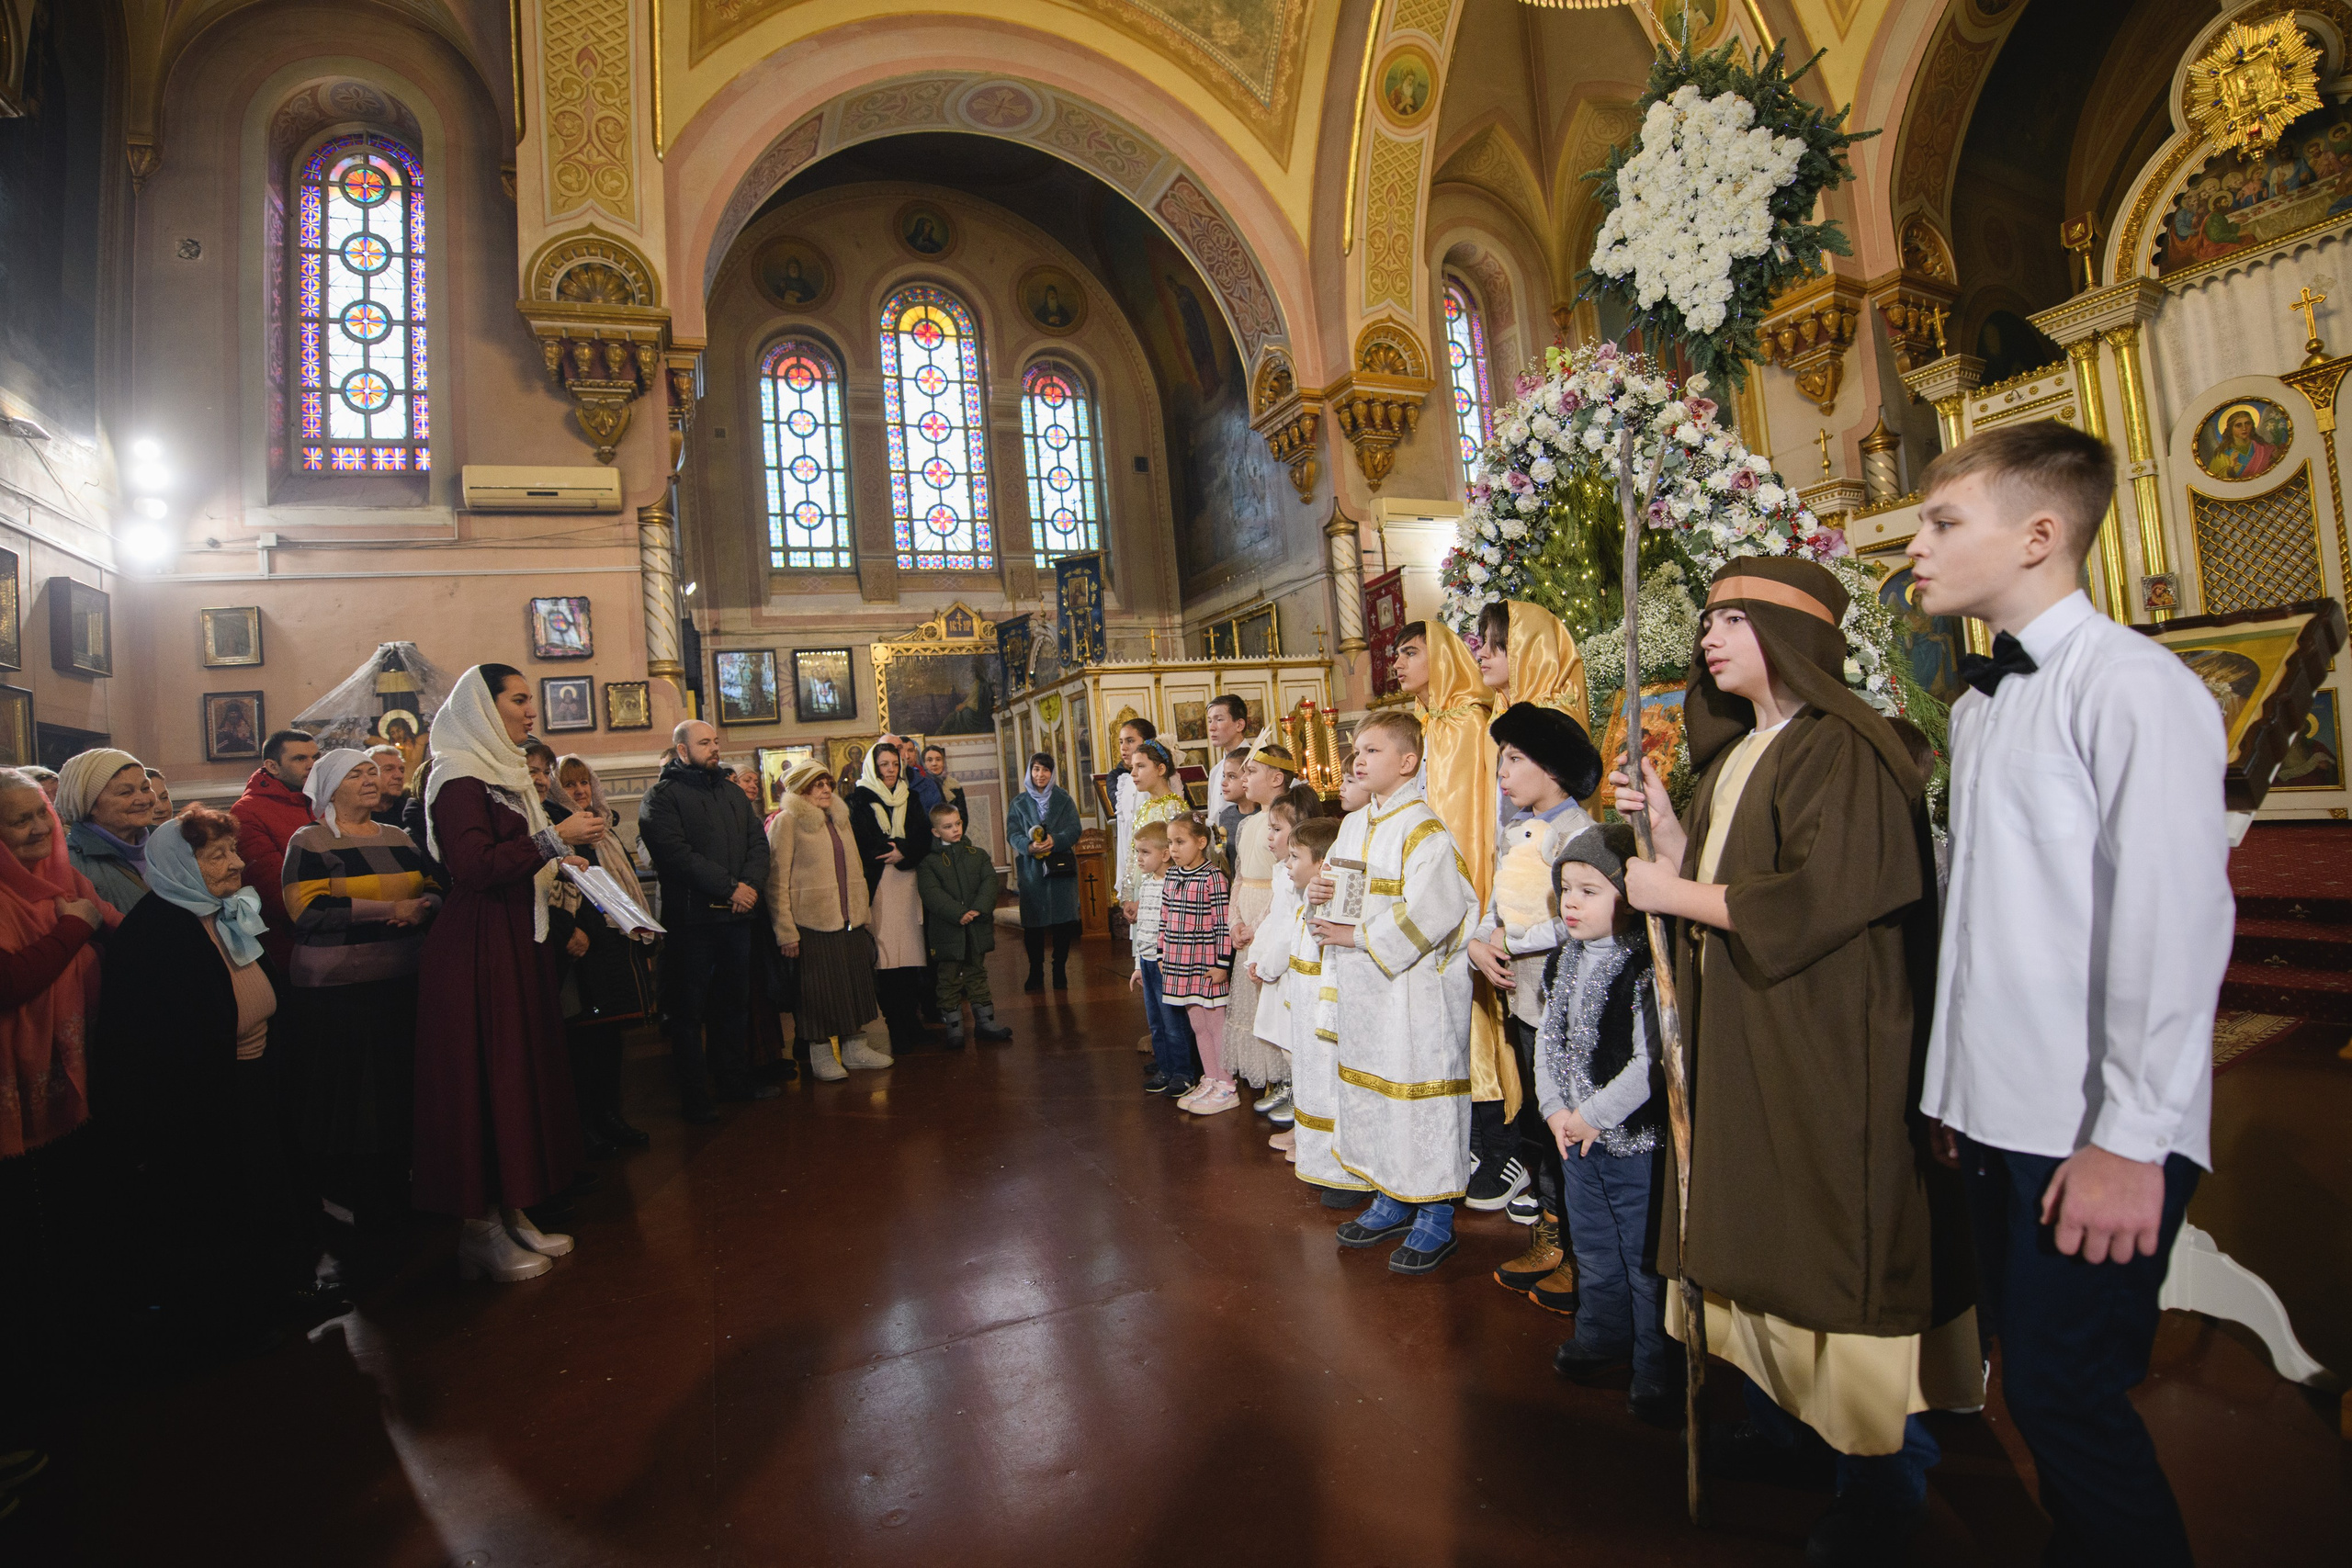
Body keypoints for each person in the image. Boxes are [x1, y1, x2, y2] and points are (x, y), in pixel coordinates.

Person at [1907, 422, 2228, 1568]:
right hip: (2003, 1112)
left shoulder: (2134, 688)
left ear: (2039, 535)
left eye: (1944, 522)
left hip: (2095, 1128)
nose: (1915, 547)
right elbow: (1986, 919)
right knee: (2033, 1386)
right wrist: (1953, 1094)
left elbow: (2171, 924)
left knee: (2065, 1395)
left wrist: (2130, 1141)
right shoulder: (1980, 705)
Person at [1612, 558, 1976, 1563]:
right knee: (1755, 1234)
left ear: (1791, 633)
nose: (1708, 637)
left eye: (1732, 619)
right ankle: (1789, 1434)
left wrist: (1671, 893)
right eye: (1707, 620)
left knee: (1834, 1246)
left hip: (1825, 1043)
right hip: (1748, 1035)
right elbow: (1718, 879)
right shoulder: (1739, 753)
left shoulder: (1844, 746)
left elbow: (1822, 898)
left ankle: (1884, 1484)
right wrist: (1669, 834)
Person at [96, 808, 334, 1353]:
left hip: (257, 1077)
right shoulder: (154, 932)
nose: (236, 864)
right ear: (180, 865)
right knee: (223, 1207)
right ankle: (235, 1321)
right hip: (202, 1099)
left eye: (233, 851)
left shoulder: (226, 911)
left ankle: (291, 1289)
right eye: (216, 855)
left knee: (274, 1192)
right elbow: (149, 1041)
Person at [413, 666, 601, 1283]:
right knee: (485, 1080)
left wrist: (559, 859)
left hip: (515, 937)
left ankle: (514, 1212)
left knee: (515, 1077)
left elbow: (515, 856)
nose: (530, 711)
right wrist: (553, 840)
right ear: (482, 707)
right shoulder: (458, 777)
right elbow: (473, 866)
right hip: (478, 945)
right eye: (518, 699)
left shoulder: (505, 774)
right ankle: (480, 1231)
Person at [1312, 711, 1476, 1274]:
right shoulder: (1354, 824)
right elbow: (1339, 895)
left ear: (1408, 762)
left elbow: (1437, 909)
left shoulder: (1423, 828)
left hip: (1413, 993)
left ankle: (1435, 1214)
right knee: (1378, 1093)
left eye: (1372, 750)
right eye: (1356, 750)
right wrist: (1319, 894)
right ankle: (1390, 1194)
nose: (1357, 760)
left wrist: (1356, 936)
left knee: (1418, 1095)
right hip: (1366, 991)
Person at [1533, 823, 1676, 1425]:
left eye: (1589, 891)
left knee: (1644, 1259)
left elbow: (1652, 1061)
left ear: (1630, 896)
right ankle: (1602, 1334)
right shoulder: (1563, 959)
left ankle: (1656, 1363)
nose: (1571, 902)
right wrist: (1555, 1111)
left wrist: (1592, 1115)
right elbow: (1547, 1041)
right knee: (1591, 1246)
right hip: (1574, 1140)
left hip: (1632, 1143)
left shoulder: (1646, 966)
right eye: (1566, 888)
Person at [1467, 703, 1601, 1287]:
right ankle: (1552, 1235)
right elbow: (1499, 902)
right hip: (1526, 1002)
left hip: (1567, 1003)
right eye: (1501, 760)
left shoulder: (1579, 834)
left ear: (1552, 768)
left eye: (1515, 759)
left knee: (1568, 1124)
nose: (1502, 772)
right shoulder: (1514, 828)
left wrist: (1514, 940)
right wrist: (1479, 942)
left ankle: (1582, 1252)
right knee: (1541, 1122)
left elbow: (1582, 920)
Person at [280, 750, 440, 1228]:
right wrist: (389, 911)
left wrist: (424, 906)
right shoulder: (309, 841)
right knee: (352, 1099)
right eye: (356, 774)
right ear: (330, 788)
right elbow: (305, 911)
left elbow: (434, 885)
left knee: (395, 1092)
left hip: (401, 982)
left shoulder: (398, 837)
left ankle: (398, 1187)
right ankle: (353, 1198)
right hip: (338, 992)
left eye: (373, 772)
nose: (370, 780)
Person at [1401, 620, 1516, 1213]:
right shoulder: (1425, 726)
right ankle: (1465, 1138)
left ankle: (1502, 1148)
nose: (1399, 663)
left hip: (1472, 891)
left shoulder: (1470, 724)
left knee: (1479, 1020)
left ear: (1442, 656)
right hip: (1429, 892)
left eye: (1411, 651)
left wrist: (1478, 908)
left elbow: (1484, 821)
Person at [638, 721, 779, 1119]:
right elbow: (677, 856)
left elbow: (758, 843)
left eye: (716, 741)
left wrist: (750, 885)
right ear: (682, 751)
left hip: (737, 920)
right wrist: (731, 888)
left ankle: (733, 1082)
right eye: (704, 743)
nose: (715, 748)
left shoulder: (731, 793)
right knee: (688, 1013)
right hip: (692, 923)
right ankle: (695, 1096)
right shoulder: (661, 797)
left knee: (733, 1005)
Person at [0, 770, 114, 1161]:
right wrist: (75, 928)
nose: (40, 828)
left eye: (42, 813)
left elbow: (121, 930)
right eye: (21, 821)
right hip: (19, 1070)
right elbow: (8, 984)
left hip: (83, 1056)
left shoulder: (61, 874)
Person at [554, 755, 657, 1149]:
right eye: (570, 785)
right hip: (586, 944)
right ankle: (587, 1125)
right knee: (586, 1042)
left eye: (584, 783)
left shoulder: (603, 828)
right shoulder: (560, 832)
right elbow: (568, 889)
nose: (580, 791)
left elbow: (622, 886)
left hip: (616, 939)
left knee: (611, 1037)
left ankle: (610, 1115)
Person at [767, 761, 879, 1083]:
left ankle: (855, 1048)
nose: (827, 789)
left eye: (828, 783)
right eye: (818, 785)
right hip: (811, 922)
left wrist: (863, 912)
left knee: (854, 986)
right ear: (801, 790)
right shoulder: (787, 821)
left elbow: (856, 868)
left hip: (849, 918)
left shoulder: (839, 818)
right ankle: (821, 1054)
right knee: (818, 993)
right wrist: (786, 932)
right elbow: (776, 881)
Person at [1270, 816, 1357, 1204]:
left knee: (1332, 1090)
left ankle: (1342, 1171)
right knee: (1311, 1087)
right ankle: (1320, 1163)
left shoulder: (1335, 901)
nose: (1288, 864)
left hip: (1326, 1017)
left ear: (1322, 863)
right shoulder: (1307, 900)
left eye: (1295, 856)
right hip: (1307, 1016)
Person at [1224, 743, 1300, 1113]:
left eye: (1251, 772)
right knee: (1252, 1005)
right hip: (1247, 917)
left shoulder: (1288, 824)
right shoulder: (1248, 823)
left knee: (1273, 1002)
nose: (1244, 779)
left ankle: (1288, 1079)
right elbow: (1239, 877)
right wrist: (1235, 921)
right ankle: (1270, 1077)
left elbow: (1283, 884)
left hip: (1269, 920)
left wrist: (1257, 926)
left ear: (1276, 778)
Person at [847, 739, 931, 1062]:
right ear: (873, 767)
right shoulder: (858, 799)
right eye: (884, 765)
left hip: (908, 883)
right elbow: (860, 841)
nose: (891, 770)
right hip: (879, 884)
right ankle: (896, 1027)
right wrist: (889, 851)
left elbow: (922, 836)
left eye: (895, 764)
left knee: (910, 957)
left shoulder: (912, 797)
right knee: (886, 960)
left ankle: (913, 1023)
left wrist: (904, 852)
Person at [917, 802, 1012, 1046]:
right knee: (948, 979)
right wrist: (958, 913)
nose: (956, 829)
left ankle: (986, 1023)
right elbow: (931, 893)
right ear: (936, 832)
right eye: (948, 826)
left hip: (975, 927)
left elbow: (989, 882)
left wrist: (979, 908)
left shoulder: (976, 855)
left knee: (977, 974)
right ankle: (954, 1029)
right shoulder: (929, 862)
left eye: (957, 823)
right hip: (947, 930)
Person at [1161, 814, 1237, 1114]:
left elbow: (1222, 923)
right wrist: (1163, 953)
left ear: (1201, 842)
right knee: (1197, 1024)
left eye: (1180, 842)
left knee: (1216, 1024)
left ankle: (1227, 1084)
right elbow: (1165, 918)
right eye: (1170, 842)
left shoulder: (1213, 877)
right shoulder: (1171, 875)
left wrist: (1222, 963)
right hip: (1180, 962)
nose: (1173, 848)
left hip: (1206, 963)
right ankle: (1211, 1078)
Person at [232, 728, 320, 968]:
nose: (312, 765)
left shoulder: (323, 800)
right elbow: (275, 892)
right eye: (300, 758)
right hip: (291, 943)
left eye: (316, 757)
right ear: (272, 766)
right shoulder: (247, 811)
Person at [1126, 821, 1193, 1098]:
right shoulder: (1147, 885)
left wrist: (1171, 961)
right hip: (1148, 962)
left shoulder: (1175, 883)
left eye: (1145, 852)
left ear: (1165, 854)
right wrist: (1138, 966)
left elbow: (1177, 928)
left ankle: (1184, 1074)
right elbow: (1143, 929)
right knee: (1156, 1023)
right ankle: (1165, 1068)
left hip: (1168, 964)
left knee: (1174, 1023)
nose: (1139, 859)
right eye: (1137, 852)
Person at [1007, 752, 1082, 992]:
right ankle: (1035, 971)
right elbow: (1012, 833)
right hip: (1032, 871)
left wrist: (1055, 840)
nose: (1040, 775)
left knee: (1063, 922)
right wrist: (1029, 846)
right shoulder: (1019, 802)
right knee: (1033, 924)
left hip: (1061, 869)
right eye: (1036, 769)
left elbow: (1075, 830)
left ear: (1052, 773)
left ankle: (1059, 969)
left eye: (1046, 770)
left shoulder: (1064, 799)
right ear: (1030, 772)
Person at [58, 749, 155, 913]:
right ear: (90, 805)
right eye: (126, 792)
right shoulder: (71, 866)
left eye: (145, 788)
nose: (144, 800)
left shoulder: (169, 845)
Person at [1202, 694, 1250, 827]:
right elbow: (1213, 817)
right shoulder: (1215, 771)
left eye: (1219, 719)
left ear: (1239, 725)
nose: (1211, 727)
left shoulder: (1256, 764)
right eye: (1210, 721)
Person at [919, 744, 968, 827]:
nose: (934, 763)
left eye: (938, 759)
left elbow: (963, 817)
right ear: (923, 763)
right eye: (929, 760)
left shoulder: (954, 786)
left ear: (943, 762)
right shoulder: (919, 786)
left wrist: (954, 832)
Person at [368, 743, 411, 828]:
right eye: (389, 769)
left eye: (401, 770)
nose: (399, 776)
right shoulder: (353, 815)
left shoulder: (411, 812)